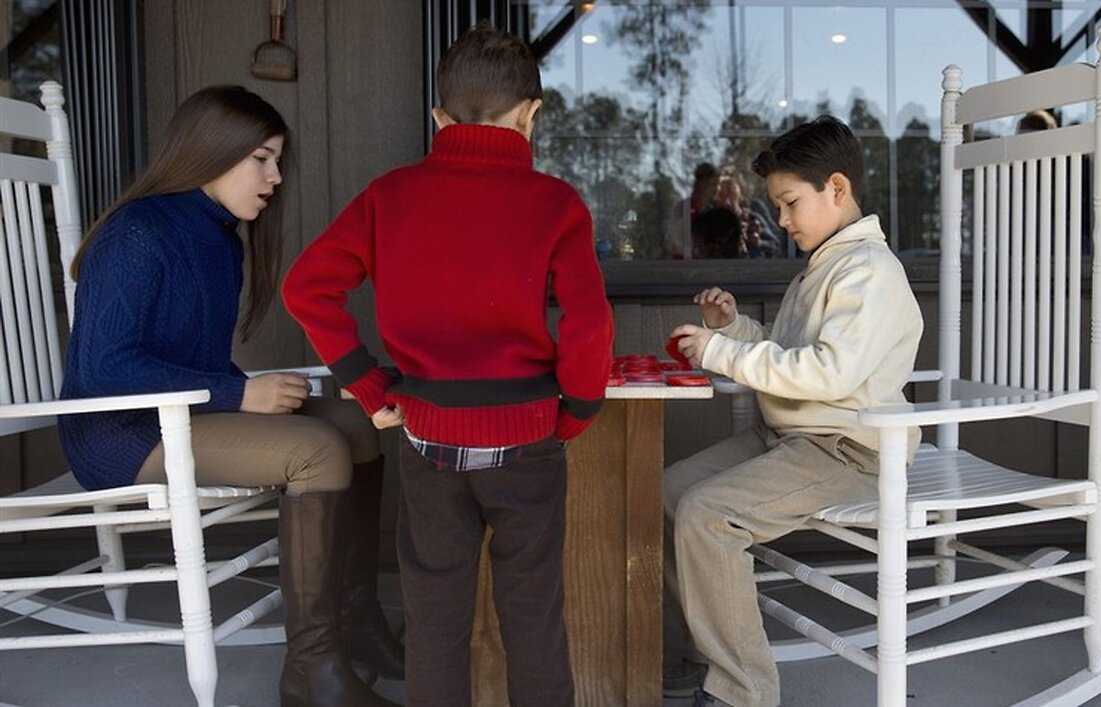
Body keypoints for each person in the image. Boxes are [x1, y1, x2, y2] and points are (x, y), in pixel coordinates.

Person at [281, 20, 614, 707]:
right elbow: (589, 322)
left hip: (430, 441)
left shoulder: (391, 195)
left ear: (439, 116)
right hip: (527, 442)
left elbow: (304, 288)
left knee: (432, 615)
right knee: (534, 614)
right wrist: (576, 410)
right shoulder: (554, 203)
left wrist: (369, 384)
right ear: (532, 114)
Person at [57, 85, 401, 706]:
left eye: (278, 161)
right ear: (211, 154)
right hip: (119, 435)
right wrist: (237, 393)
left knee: (354, 426)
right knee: (317, 451)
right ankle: (312, 671)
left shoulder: (220, 237)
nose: (274, 177)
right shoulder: (137, 233)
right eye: (261, 159)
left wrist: (232, 392)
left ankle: (358, 623)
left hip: (182, 418)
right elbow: (105, 369)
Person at [663, 116, 924, 707]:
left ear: (836, 188)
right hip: (789, 435)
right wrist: (731, 328)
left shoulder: (871, 272)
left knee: (708, 514)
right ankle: (700, 653)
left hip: (848, 447)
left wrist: (723, 352)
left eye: (789, 203)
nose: (781, 219)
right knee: (670, 493)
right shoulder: (826, 262)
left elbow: (829, 373)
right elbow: (789, 354)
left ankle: (742, 693)